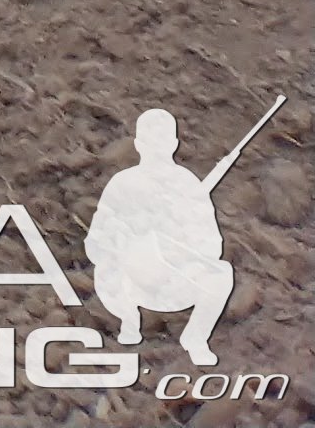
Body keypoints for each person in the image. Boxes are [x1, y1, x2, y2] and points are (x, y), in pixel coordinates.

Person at [87, 108, 238, 366]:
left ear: (174, 144)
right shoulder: (122, 183)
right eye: (150, 140)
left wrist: (183, 243)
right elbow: (96, 241)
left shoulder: (188, 184)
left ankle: (196, 338)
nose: (157, 146)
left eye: (163, 139)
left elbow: (212, 241)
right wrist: (124, 237)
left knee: (221, 275)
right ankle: (129, 320)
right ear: (138, 144)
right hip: (130, 280)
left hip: (175, 279)